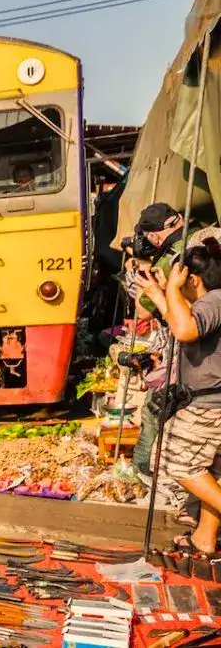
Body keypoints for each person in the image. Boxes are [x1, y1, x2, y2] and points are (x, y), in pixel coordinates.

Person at [135, 238, 221, 555]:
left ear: (193, 280)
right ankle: (204, 538)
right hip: (210, 402)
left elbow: (183, 331)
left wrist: (170, 289)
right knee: (212, 472)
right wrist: (160, 294)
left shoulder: (214, 301)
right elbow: (178, 321)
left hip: (209, 406)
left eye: (181, 282)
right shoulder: (210, 303)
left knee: (176, 460)